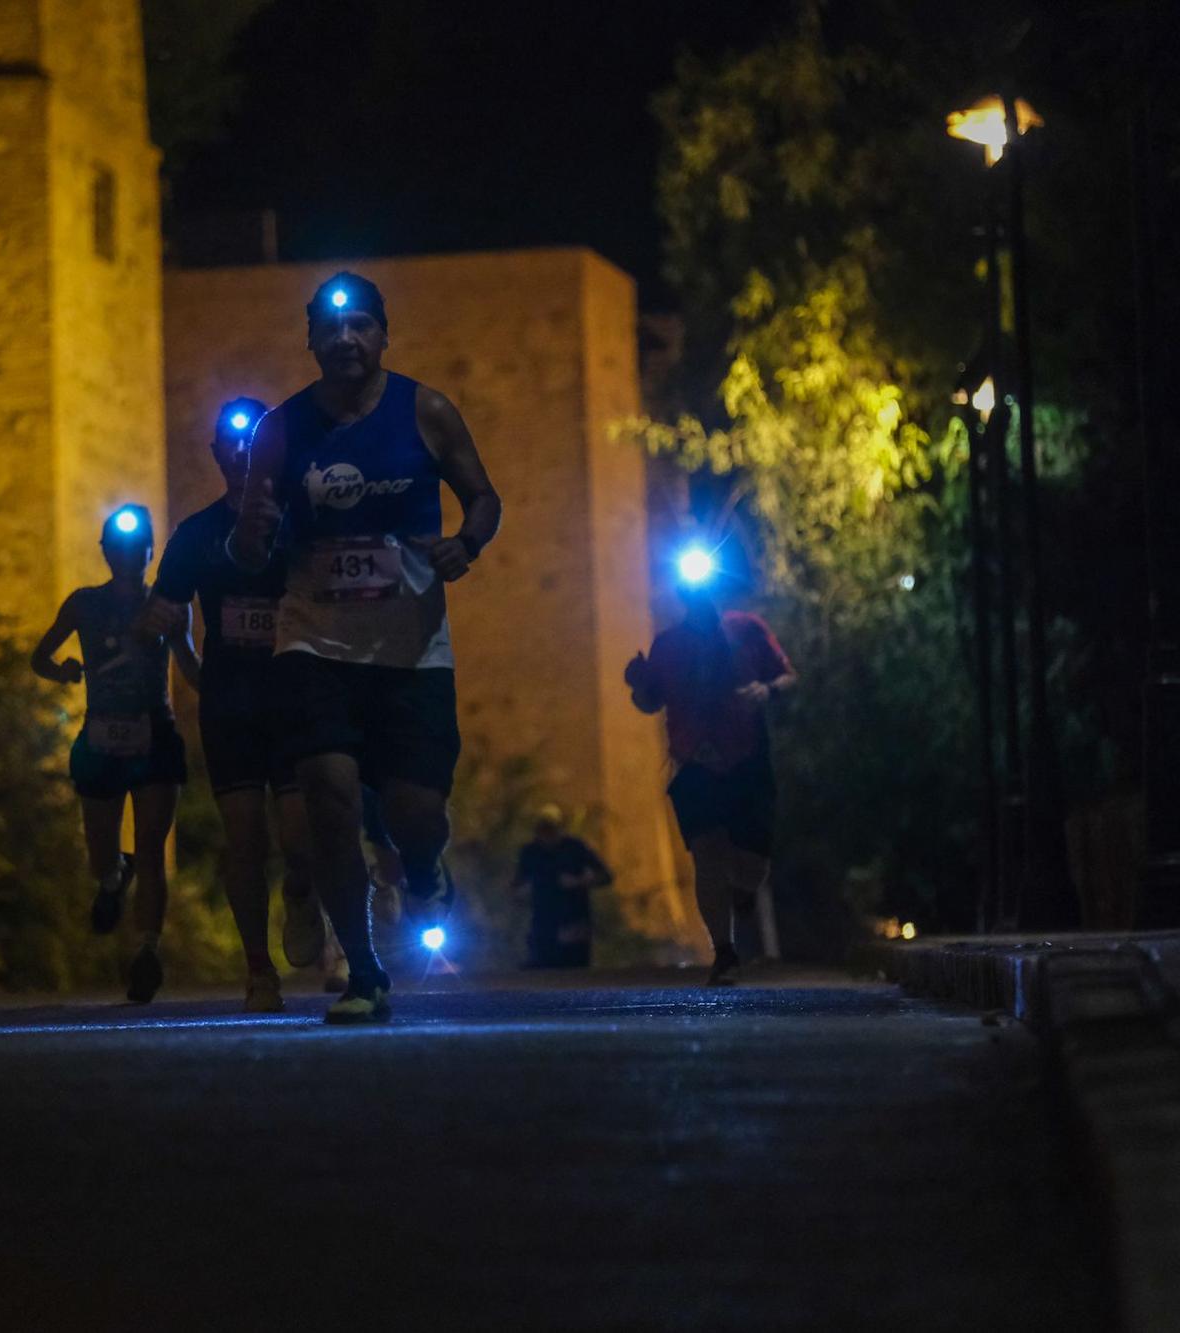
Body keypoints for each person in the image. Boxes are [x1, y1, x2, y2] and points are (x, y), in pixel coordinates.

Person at [229, 271, 502, 1024]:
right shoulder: (280, 431)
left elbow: (484, 495)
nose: (346, 340)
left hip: (411, 648)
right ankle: (363, 971)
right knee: (327, 792)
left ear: (384, 336)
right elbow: (252, 544)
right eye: (331, 328)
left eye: (362, 327)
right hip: (314, 642)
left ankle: (421, 864)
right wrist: (249, 538)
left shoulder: (427, 411)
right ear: (310, 340)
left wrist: (465, 544)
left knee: (415, 812)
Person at [140, 398, 324, 1013]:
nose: (244, 456)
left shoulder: (302, 524)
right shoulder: (194, 536)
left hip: (296, 703)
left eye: (257, 445)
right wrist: (188, 665)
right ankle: (258, 970)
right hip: (232, 709)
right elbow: (165, 615)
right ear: (217, 455)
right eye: (232, 446)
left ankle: (302, 891)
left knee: (301, 841)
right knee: (245, 841)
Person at [31, 505, 188, 1004]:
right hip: (101, 737)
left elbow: (192, 666)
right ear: (104, 552)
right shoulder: (82, 605)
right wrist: (66, 672)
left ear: (149, 553)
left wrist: (187, 642)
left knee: (152, 850)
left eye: (136, 547)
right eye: (117, 547)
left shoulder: (168, 606)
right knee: (99, 854)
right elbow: (40, 655)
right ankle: (113, 876)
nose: (126, 555)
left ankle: (147, 951)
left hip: (155, 736)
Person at [624, 581, 795, 985]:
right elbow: (650, 702)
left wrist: (767, 689)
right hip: (694, 764)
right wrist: (637, 683)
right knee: (706, 852)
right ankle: (724, 952)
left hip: (747, 758)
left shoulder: (747, 629)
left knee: (752, 866)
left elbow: (788, 676)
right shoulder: (667, 645)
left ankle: (743, 892)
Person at [512, 805, 614, 969]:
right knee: (543, 971)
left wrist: (578, 881)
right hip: (544, 923)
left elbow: (605, 876)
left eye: (550, 829)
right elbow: (518, 884)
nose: (547, 835)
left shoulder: (575, 848)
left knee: (576, 972)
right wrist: (522, 893)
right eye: (543, 829)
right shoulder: (531, 852)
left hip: (574, 920)